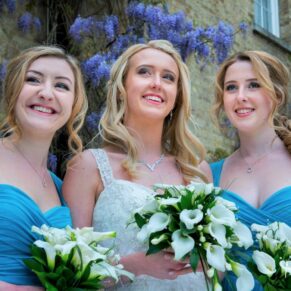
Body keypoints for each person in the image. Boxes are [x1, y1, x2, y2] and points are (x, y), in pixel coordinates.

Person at [63, 40, 209, 290]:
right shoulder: (88, 166)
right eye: (144, 72)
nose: (156, 83)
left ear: (177, 96)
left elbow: (213, 271)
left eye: (168, 77)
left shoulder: (196, 170)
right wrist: (136, 265)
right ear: (122, 87)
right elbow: (73, 276)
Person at [0, 46, 88, 289]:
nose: (47, 93)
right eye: (33, 80)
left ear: (74, 105)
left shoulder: (61, 187)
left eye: (61, 85)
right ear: (13, 91)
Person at [206, 50, 291, 290]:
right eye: (231, 88)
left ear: (277, 94)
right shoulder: (209, 176)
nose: (240, 96)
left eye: (253, 85)